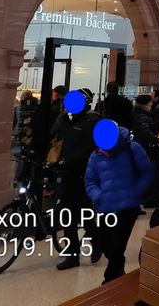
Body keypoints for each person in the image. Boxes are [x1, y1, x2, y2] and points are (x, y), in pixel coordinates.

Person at [84, 125, 154, 284]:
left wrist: (136, 191)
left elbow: (147, 172)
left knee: (116, 246)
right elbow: (90, 181)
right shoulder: (95, 156)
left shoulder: (132, 148)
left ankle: (109, 281)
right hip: (105, 208)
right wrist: (98, 195)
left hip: (128, 206)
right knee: (106, 246)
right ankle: (118, 271)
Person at [51, 89, 102, 269]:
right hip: (66, 173)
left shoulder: (92, 120)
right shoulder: (63, 119)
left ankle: (96, 240)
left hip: (85, 173)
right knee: (68, 214)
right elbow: (55, 140)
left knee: (84, 211)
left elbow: (91, 147)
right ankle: (73, 255)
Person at [132, 94, 159, 207]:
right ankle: (149, 199)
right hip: (146, 149)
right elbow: (145, 131)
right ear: (146, 104)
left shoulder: (142, 114)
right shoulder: (142, 116)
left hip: (144, 148)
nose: (151, 104)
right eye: (150, 102)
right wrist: (156, 141)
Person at [11, 90, 43, 185]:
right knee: (30, 162)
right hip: (33, 141)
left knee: (21, 160)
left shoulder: (18, 109)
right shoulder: (38, 108)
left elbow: (14, 124)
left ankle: (19, 181)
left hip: (19, 139)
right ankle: (28, 182)